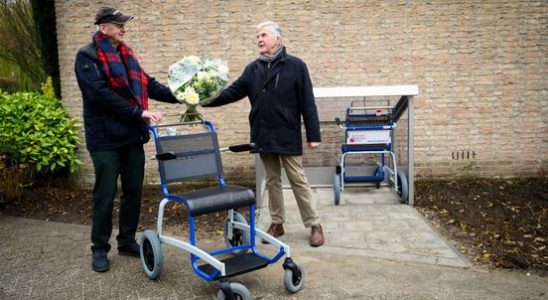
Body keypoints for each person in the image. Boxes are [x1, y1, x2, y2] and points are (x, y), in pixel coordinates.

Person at [74, 6, 178, 272]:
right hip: (105, 139)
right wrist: (139, 112)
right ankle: (99, 248)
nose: (123, 27)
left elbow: (148, 84)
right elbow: (99, 94)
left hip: (131, 135)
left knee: (133, 190)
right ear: (103, 27)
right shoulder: (87, 56)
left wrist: (183, 94)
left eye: (124, 23)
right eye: (118, 24)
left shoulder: (127, 55)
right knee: (105, 194)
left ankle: (126, 240)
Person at [203, 21, 325, 247]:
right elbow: (232, 92)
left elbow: (307, 102)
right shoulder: (252, 69)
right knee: (272, 181)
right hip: (263, 133)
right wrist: (205, 98)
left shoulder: (296, 66)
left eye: (263, 35)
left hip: (287, 132)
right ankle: (277, 223)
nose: (259, 39)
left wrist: (313, 134)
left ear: (277, 39)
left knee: (298, 180)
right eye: (257, 36)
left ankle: (315, 224)